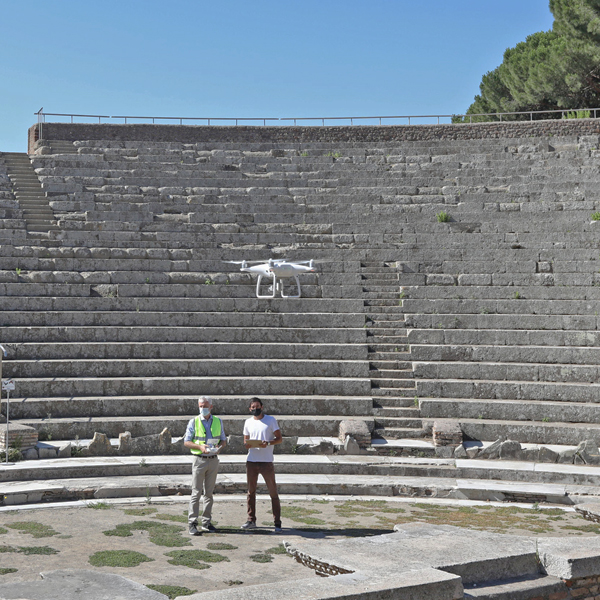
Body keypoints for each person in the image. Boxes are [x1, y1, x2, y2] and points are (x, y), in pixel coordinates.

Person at [184, 396, 227, 535]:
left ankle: (206, 522)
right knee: (196, 492)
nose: (203, 408)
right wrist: (199, 447)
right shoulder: (194, 421)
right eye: (201, 405)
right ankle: (192, 522)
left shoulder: (218, 421)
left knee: (209, 493)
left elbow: (223, 440)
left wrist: (219, 447)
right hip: (199, 459)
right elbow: (186, 442)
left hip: (213, 459)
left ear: (211, 407)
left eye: (205, 405)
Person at [241, 397, 283, 532]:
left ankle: (277, 522)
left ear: (262, 407)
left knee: (273, 491)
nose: (255, 409)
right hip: (252, 461)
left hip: (266, 462)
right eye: (252, 407)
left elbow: (279, 439)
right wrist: (247, 445)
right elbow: (245, 441)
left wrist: (269, 443)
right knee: (251, 491)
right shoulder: (247, 422)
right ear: (249, 409)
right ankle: (250, 520)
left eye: (257, 406)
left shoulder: (270, 420)